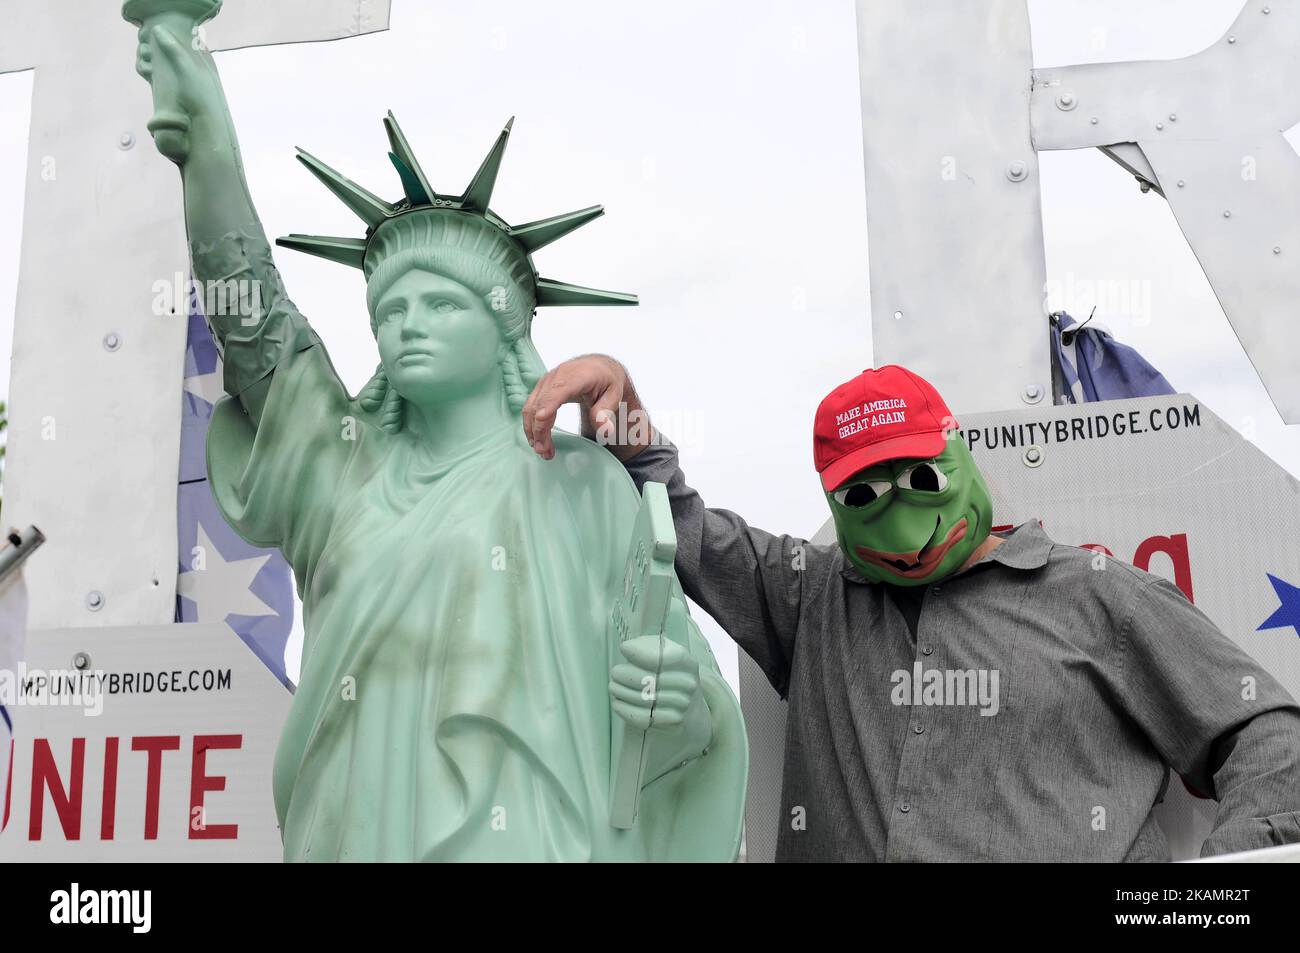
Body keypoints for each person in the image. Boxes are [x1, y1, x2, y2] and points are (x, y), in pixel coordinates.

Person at [126, 15, 745, 861]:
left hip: (533, 831)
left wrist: (676, 699)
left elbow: (676, 688)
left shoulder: (584, 487)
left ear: (504, 326)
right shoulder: (339, 467)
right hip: (352, 823)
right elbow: (254, 318)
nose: (405, 326)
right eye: (388, 310)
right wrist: (209, 148)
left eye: (440, 304)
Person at [523, 355, 1300, 861]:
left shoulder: (1096, 594)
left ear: (954, 454)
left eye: (917, 478)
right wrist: (620, 406)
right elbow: (678, 521)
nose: (896, 518)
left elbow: (1266, 733)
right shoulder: (808, 595)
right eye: (862, 494)